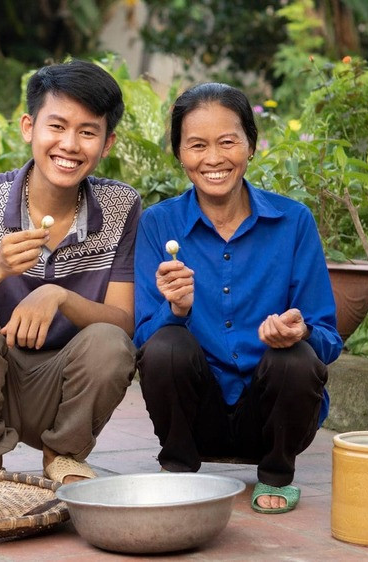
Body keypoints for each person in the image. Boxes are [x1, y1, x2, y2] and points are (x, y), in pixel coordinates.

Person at [0, 60, 141, 484]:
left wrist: (60, 297)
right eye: (56, 126)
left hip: (64, 390)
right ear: (28, 127)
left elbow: (124, 323)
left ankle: (64, 456)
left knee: (110, 342)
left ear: (107, 143)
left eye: (88, 132)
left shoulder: (120, 207)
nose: (70, 144)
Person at [133, 82, 342, 513]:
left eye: (228, 142)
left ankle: (277, 474)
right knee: (166, 345)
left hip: (271, 417)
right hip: (196, 418)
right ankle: (177, 468)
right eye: (197, 145)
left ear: (251, 145)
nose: (213, 158)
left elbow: (328, 337)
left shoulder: (292, 221)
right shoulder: (159, 224)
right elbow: (141, 340)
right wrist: (174, 310)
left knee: (295, 358)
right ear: (179, 153)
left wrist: (299, 331)